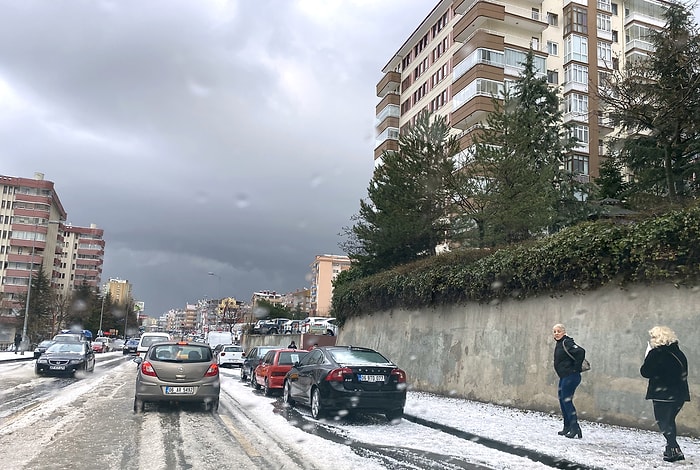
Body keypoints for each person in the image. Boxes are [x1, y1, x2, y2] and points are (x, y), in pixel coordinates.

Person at [640, 326, 690, 463]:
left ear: (659, 338)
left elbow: (645, 372)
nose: (651, 340)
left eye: (653, 337)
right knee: (669, 422)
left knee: (664, 423)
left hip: (662, 394)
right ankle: (672, 449)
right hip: (679, 394)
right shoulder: (678, 353)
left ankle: (674, 449)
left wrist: (647, 358)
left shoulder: (656, 353)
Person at [552, 323, 586, 439]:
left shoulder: (567, 342)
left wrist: (575, 368)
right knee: (562, 400)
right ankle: (567, 427)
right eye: (554, 331)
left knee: (567, 401)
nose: (556, 333)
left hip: (571, 376)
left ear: (564, 332)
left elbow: (581, 352)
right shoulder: (560, 343)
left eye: (558, 331)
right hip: (564, 377)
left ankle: (574, 428)